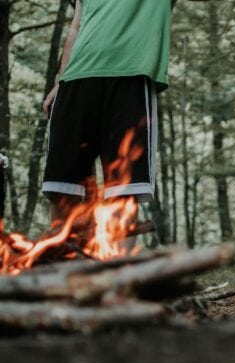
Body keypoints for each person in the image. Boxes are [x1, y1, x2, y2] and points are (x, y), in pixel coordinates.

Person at [41, 0, 171, 225]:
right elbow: (76, 26)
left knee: (124, 188)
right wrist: (60, 82)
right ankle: (62, 256)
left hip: (130, 77)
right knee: (62, 187)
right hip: (74, 81)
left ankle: (120, 260)